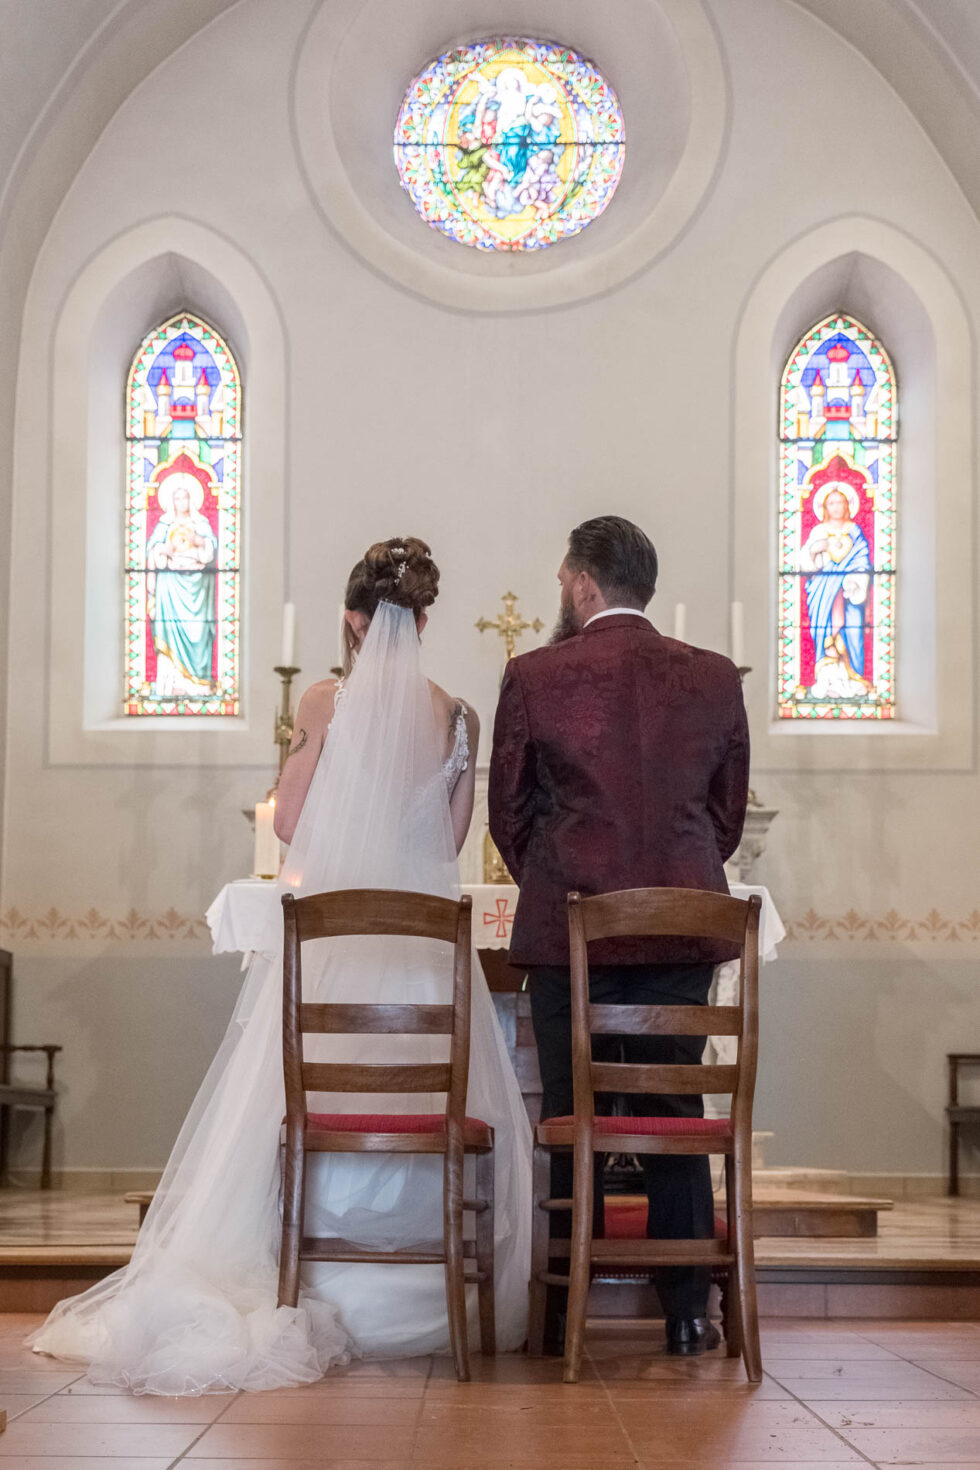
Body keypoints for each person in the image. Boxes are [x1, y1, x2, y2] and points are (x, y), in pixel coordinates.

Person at [29, 536, 531, 1394]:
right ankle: (435, 1292)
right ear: (423, 621)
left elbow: (291, 820)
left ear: (350, 620)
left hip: (333, 957)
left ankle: (304, 1270)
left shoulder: (327, 702)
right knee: (452, 1091)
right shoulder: (457, 716)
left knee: (283, 1093)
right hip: (422, 968)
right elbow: (450, 842)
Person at [488, 514, 749, 1357]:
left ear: (583, 585)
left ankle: (569, 1301)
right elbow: (725, 814)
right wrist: (671, 884)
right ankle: (684, 1313)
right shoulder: (712, 678)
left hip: (574, 937)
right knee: (674, 1107)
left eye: (565, 579)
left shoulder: (534, 674)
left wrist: (566, 878)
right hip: (682, 932)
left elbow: (511, 814)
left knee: (575, 1111)